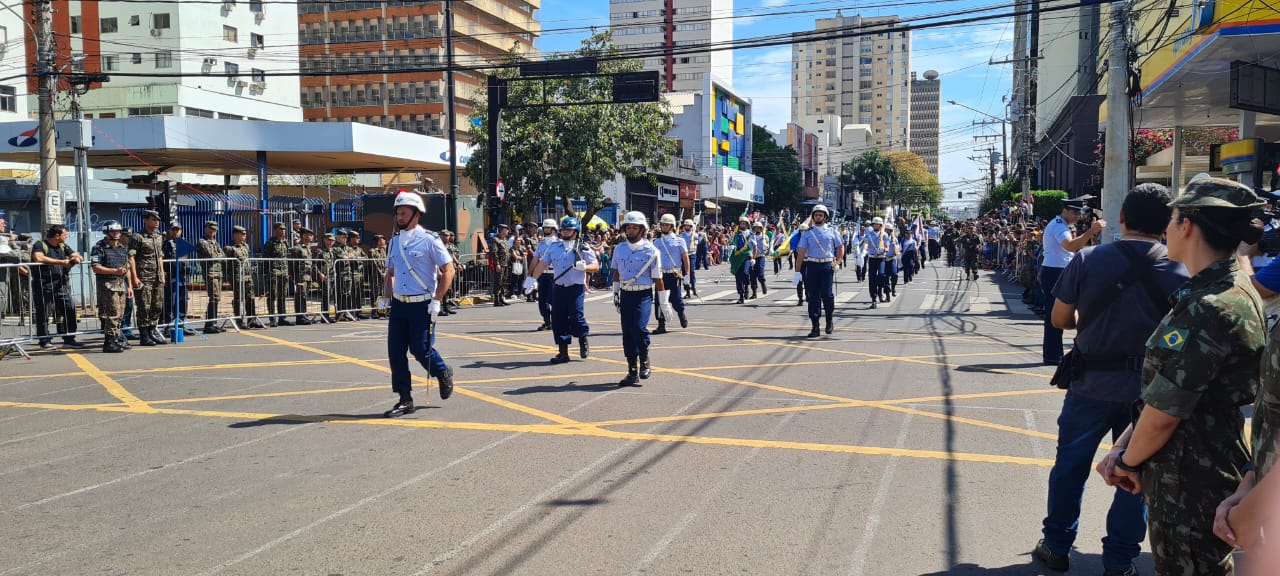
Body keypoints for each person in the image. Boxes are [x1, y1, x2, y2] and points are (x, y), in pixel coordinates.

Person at [1096, 177, 1267, 576]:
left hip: (1190, 479)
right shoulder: (1228, 289)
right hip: (1198, 465)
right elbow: (1161, 393)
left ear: (1187, 226)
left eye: (1171, 220)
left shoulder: (1211, 305)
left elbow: (1165, 415)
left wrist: (1127, 461)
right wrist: (1126, 448)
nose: (1166, 228)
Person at [1034, 183, 1188, 576]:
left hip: (1090, 384)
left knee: (1070, 465)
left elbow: (1059, 320)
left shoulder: (1087, 259)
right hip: (1150, 394)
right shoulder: (1181, 270)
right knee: (1136, 474)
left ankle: (1055, 546)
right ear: (1169, 223)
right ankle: (1119, 560)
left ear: (1120, 218)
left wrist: (1092, 323)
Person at [380, 192, 455, 417]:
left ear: (416, 214)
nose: (399, 217)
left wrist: (437, 300)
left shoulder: (430, 240)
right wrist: (385, 296)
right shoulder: (394, 242)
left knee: (421, 350)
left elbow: (448, 270)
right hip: (399, 305)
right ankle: (405, 398)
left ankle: (442, 371)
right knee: (395, 352)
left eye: (403, 213)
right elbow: (391, 272)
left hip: (422, 304)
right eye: (397, 213)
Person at [1042, 199, 1107, 365]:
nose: (1078, 217)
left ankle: (1055, 353)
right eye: (1075, 213)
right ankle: (1052, 354)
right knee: (1056, 313)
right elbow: (1070, 246)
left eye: (1080, 213)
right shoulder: (1058, 225)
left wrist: (1090, 235)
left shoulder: (1063, 225)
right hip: (1056, 272)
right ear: (1065, 210)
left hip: (1058, 270)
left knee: (1070, 311)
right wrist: (1089, 232)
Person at [611, 212, 671, 386]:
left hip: (643, 294)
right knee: (627, 333)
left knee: (639, 328)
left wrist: (663, 302)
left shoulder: (652, 250)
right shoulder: (619, 248)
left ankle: (644, 359)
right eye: (628, 227)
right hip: (625, 293)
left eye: (634, 227)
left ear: (642, 229)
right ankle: (631, 371)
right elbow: (616, 272)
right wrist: (615, 292)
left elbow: (658, 278)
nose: (630, 231)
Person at [527, 216, 598, 364]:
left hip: (575, 287)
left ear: (576, 232)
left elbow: (595, 266)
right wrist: (532, 279)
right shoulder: (554, 247)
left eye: (569, 230)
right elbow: (542, 264)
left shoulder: (583, 247)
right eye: (564, 230)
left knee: (576, 316)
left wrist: (585, 267)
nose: (565, 232)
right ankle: (563, 352)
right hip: (559, 287)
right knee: (558, 319)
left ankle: (582, 338)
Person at [29, 224, 85, 349]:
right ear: (57, 236)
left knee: (70, 309)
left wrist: (75, 259)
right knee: (43, 313)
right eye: (65, 234)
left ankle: (69, 338)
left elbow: (76, 255)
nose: (67, 236)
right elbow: (38, 257)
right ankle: (44, 340)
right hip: (44, 284)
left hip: (60, 284)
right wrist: (61, 262)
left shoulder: (62, 246)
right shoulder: (40, 245)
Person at [794, 204, 844, 337]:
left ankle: (829, 319)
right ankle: (815, 326)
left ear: (825, 217)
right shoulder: (807, 233)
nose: (818, 217)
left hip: (827, 266)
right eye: (816, 215)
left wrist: (838, 262)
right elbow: (801, 253)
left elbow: (840, 247)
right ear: (813, 217)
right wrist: (797, 271)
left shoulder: (832, 231)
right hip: (812, 265)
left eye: (820, 215)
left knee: (827, 295)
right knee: (813, 296)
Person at [91, 221, 132, 353]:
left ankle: (117, 338)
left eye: (118, 231)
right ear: (107, 232)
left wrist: (130, 286)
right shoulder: (99, 247)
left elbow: (127, 269)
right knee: (112, 314)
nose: (117, 234)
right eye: (114, 231)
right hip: (107, 285)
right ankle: (109, 342)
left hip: (121, 285)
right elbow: (96, 267)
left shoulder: (122, 248)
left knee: (120, 314)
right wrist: (114, 271)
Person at [129, 210, 167, 346]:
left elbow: (160, 256)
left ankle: (151, 331)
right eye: (153, 219)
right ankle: (144, 335)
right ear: (146, 220)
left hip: (157, 276)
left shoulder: (158, 236)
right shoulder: (138, 237)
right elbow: (131, 257)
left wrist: (162, 273)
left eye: (157, 220)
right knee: (144, 306)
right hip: (144, 276)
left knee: (157, 305)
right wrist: (134, 277)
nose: (156, 222)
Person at [652, 213, 690, 334]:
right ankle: (661, 324)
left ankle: (681, 313)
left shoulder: (680, 240)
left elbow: (685, 258)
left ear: (672, 226)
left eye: (666, 224)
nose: (663, 226)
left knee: (676, 299)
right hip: (661, 274)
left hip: (674, 274)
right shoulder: (657, 242)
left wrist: (687, 274)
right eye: (662, 224)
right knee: (659, 300)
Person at [225, 225, 265, 329]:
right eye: (242, 234)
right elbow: (226, 265)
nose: (244, 236)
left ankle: (252, 320)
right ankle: (239, 320)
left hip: (247, 276)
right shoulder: (229, 248)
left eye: (245, 234)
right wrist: (229, 278)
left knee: (250, 298)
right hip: (237, 276)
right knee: (239, 299)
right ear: (235, 234)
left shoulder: (245, 246)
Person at [196, 221, 225, 334]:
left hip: (218, 272)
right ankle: (209, 324)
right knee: (213, 297)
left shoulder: (215, 242)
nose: (213, 231)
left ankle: (213, 322)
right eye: (211, 229)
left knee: (217, 298)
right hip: (210, 272)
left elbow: (222, 255)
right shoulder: (202, 242)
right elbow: (211, 255)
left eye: (215, 229)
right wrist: (218, 255)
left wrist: (218, 255)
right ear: (206, 229)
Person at [162, 222, 190, 339]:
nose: (175, 232)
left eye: (178, 229)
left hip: (182, 277)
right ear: (169, 231)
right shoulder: (166, 244)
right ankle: (169, 326)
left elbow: (187, 260)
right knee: (171, 302)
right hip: (171, 277)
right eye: (173, 229)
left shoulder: (183, 243)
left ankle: (181, 324)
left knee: (183, 301)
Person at [530, 219, 559, 330]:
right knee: (542, 301)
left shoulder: (558, 243)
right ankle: (547, 322)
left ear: (553, 229)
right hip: (542, 274)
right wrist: (529, 276)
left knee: (553, 300)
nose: (546, 230)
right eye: (545, 228)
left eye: (548, 228)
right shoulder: (541, 243)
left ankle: (556, 320)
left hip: (554, 275)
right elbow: (535, 260)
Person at [262, 222, 292, 327]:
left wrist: (289, 272)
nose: (283, 231)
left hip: (284, 272)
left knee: (282, 295)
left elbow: (287, 257)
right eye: (280, 229)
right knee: (272, 295)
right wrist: (266, 273)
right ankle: (272, 318)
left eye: (284, 229)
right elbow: (265, 258)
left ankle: (282, 318)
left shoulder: (286, 242)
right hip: (273, 272)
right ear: (275, 230)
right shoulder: (271, 243)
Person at [289, 228, 316, 325]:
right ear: (304, 236)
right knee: (300, 296)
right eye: (310, 234)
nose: (311, 236)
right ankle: (300, 317)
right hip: (300, 276)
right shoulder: (297, 248)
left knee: (304, 296)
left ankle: (304, 315)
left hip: (307, 276)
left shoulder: (308, 247)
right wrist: (292, 275)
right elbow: (291, 263)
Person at [863, 217, 890, 307]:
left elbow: (887, 246)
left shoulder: (884, 235)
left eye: (877, 224)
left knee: (882, 275)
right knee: (872, 278)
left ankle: (880, 289)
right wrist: (864, 250)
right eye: (874, 224)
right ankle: (874, 299)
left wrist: (884, 249)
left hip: (881, 258)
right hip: (872, 258)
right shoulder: (869, 234)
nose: (876, 225)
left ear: (880, 225)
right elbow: (866, 243)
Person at [315, 232, 338, 322]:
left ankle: (328, 315)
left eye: (332, 240)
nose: (331, 242)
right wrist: (319, 273)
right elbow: (314, 264)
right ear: (324, 240)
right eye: (329, 240)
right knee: (326, 297)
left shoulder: (333, 251)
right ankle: (325, 316)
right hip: (324, 277)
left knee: (331, 296)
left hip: (332, 276)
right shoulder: (320, 251)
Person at [729, 216, 753, 304]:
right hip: (737, 256)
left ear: (747, 225)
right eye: (741, 223)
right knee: (738, 276)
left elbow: (752, 245)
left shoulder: (750, 234)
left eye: (744, 223)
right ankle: (741, 295)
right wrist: (732, 246)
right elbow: (733, 242)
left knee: (745, 273)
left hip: (746, 256)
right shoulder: (736, 234)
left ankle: (746, 286)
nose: (743, 225)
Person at [346, 230, 368, 319]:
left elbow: (366, 257)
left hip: (360, 274)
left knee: (359, 294)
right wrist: (357, 258)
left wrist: (357, 258)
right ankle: (352, 312)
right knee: (352, 295)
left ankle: (358, 312)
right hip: (352, 274)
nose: (358, 239)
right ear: (351, 239)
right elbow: (349, 258)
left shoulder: (359, 249)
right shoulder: (348, 248)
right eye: (357, 238)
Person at [491, 224, 512, 307]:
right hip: (500, 264)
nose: (507, 231)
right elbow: (494, 253)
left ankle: (501, 298)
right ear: (501, 230)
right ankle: (496, 300)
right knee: (498, 282)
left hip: (506, 264)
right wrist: (497, 264)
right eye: (505, 229)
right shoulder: (495, 240)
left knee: (503, 282)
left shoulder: (504, 240)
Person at [680, 219, 699, 298]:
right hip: (684, 255)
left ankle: (693, 286)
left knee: (691, 271)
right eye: (686, 225)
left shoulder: (695, 235)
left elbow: (696, 245)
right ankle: (687, 291)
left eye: (688, 226)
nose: (687, 227)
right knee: (685, 273)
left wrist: (693, 243)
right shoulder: (681, 235)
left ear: (691, 227)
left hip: (692, 255)